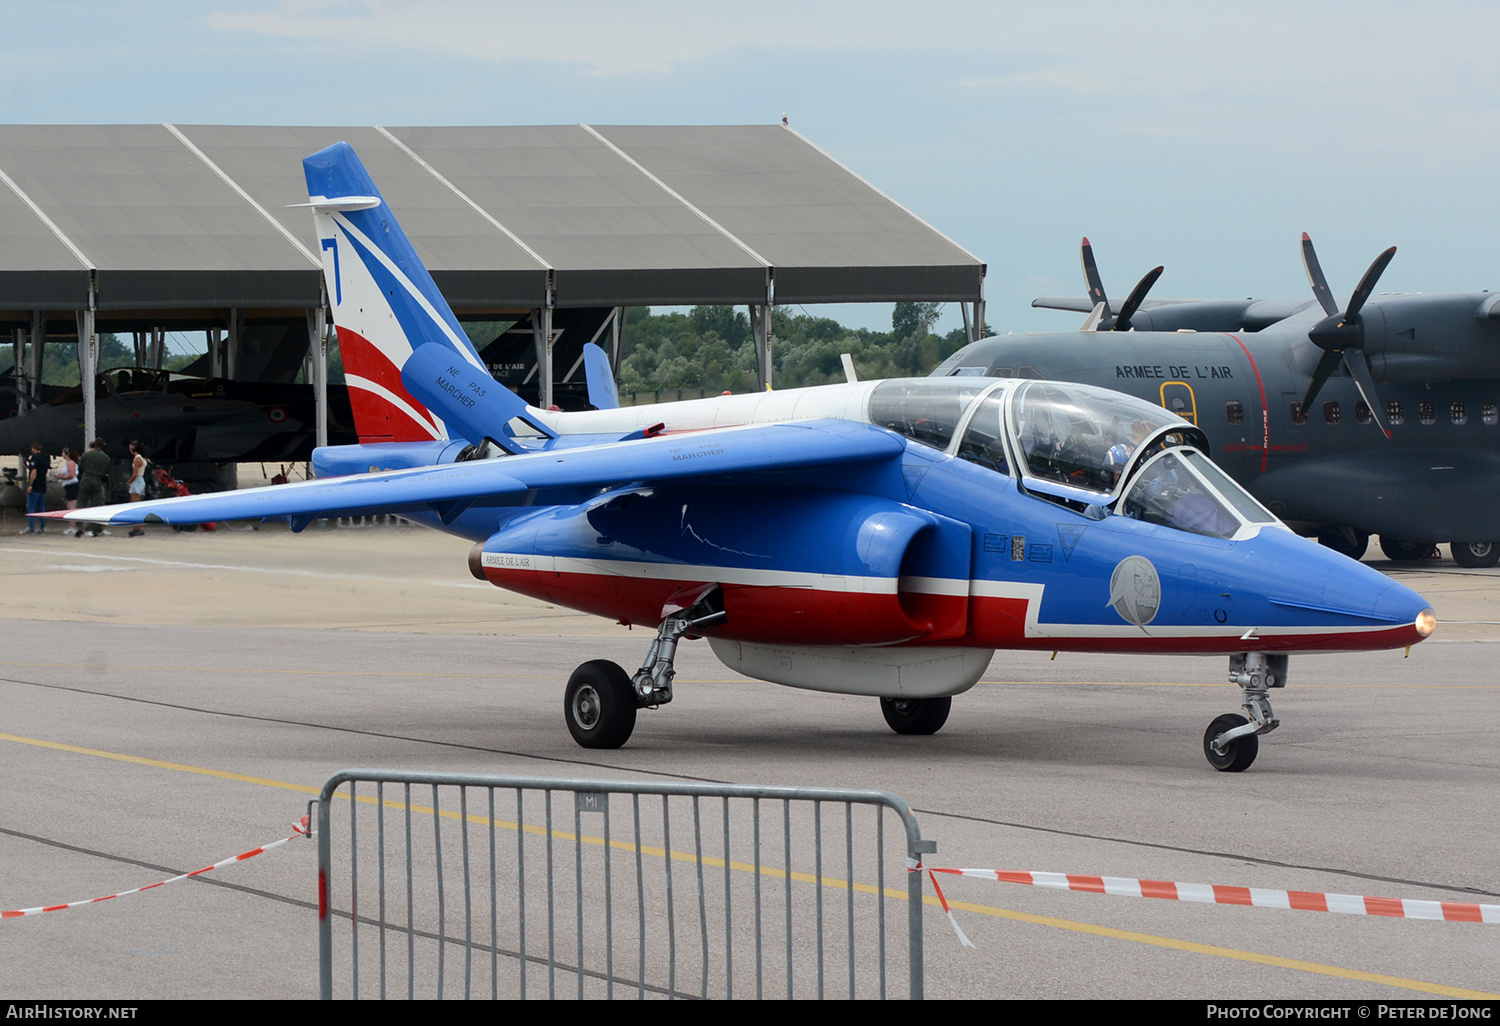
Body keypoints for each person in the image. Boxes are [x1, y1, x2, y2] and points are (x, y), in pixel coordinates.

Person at [76, 438, 111, 538]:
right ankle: (95, 530)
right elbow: (107, 472)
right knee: (96, 506)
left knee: (81, 503)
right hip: (97, 481)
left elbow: (80, 468)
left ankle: (79, 527)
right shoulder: (106, 458)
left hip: (86, 479)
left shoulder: (86, 455)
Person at [21, 441, 49, 534]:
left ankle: (31, 527)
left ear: (34, 448)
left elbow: (34, 472)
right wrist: (28, 466)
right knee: (41, 508)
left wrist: (30, 485)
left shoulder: (35, 458)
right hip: (43, 485)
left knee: (31, 507)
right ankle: (42, 527)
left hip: (35, 486)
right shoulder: (45, 458)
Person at [55, 447, 80, 535]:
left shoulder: (71, 463)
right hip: (68, 487)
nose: (62, 454)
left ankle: (74, 527)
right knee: (69, 506)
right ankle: (72, 526)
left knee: (72, 507)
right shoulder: (67, 463)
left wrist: (61, 477)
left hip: (72, 486)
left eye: (63, 453)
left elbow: (72, 475)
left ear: (67, 454)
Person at [126, 440, 147, 537]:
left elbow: (134, 474)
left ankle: (137, 528)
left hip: (137, 480)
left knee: (134, 505)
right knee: (138, 505)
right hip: (141, 479)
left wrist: (129, 481)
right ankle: (138, 527)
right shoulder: (143, 458)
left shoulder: (136, 459)